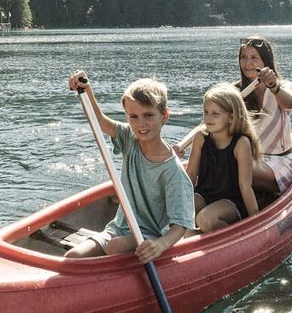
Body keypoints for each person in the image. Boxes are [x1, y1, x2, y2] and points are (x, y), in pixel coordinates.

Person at [64, 71, 195, 261]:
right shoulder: (130, 139)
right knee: (73, 257)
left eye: (149, 115)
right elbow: (99, 121)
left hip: (150, 236)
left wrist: (160, 245)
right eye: (133, 116)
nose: (141, 123)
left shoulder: (173, 172)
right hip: (118, 228)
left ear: (164, 116)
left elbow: (181, 224)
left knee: (116, 246)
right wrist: (86, 91)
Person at [188, 84, 261, 231]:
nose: (208, 118)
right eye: (206, 112)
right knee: (182, 212)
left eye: (215, 114)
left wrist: (256, 222)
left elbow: (245, 187)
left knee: (205, 219)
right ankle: (191, 240)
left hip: (231, 200)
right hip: (204, 194)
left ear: (231, 117)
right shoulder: (200, 138)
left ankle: (229, 240)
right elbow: (190, 176)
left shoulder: (241, 143)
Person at [236, 35, 292, 196]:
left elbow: (289, 102)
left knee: (239, 169)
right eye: (244, 57)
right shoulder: (236, 91)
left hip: (279, 162)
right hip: (250, 159)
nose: (248, 63)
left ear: (265, 61)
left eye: (254, 58)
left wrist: (274, 87)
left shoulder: (282, 86)